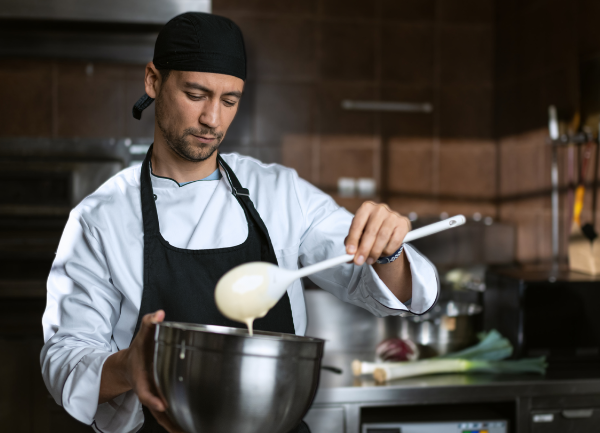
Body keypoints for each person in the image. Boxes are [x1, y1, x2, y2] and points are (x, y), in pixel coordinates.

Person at [40, 12, 438, 433]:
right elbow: (64, 359)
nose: (213, 119)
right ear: (153, 81)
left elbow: (385, 285)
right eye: (196, 94)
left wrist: (388, 248)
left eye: (229, 101)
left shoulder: (280, 193)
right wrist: (128, 366)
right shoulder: (101, 218)